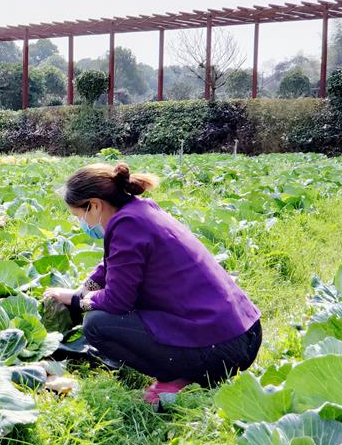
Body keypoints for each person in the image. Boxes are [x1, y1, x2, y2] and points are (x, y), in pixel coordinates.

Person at [44, 162, 262, 406]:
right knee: (107, 314)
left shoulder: (127, 226)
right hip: (244, 332)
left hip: (222, 349)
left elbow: (117, 301)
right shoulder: (139, 211)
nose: (81, 224)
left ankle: (179, 377)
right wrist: (84, 288)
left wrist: (77, 301)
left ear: (95, 205)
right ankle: (188, 368)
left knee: (96, 325)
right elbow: (111, 265)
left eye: (79, 216)